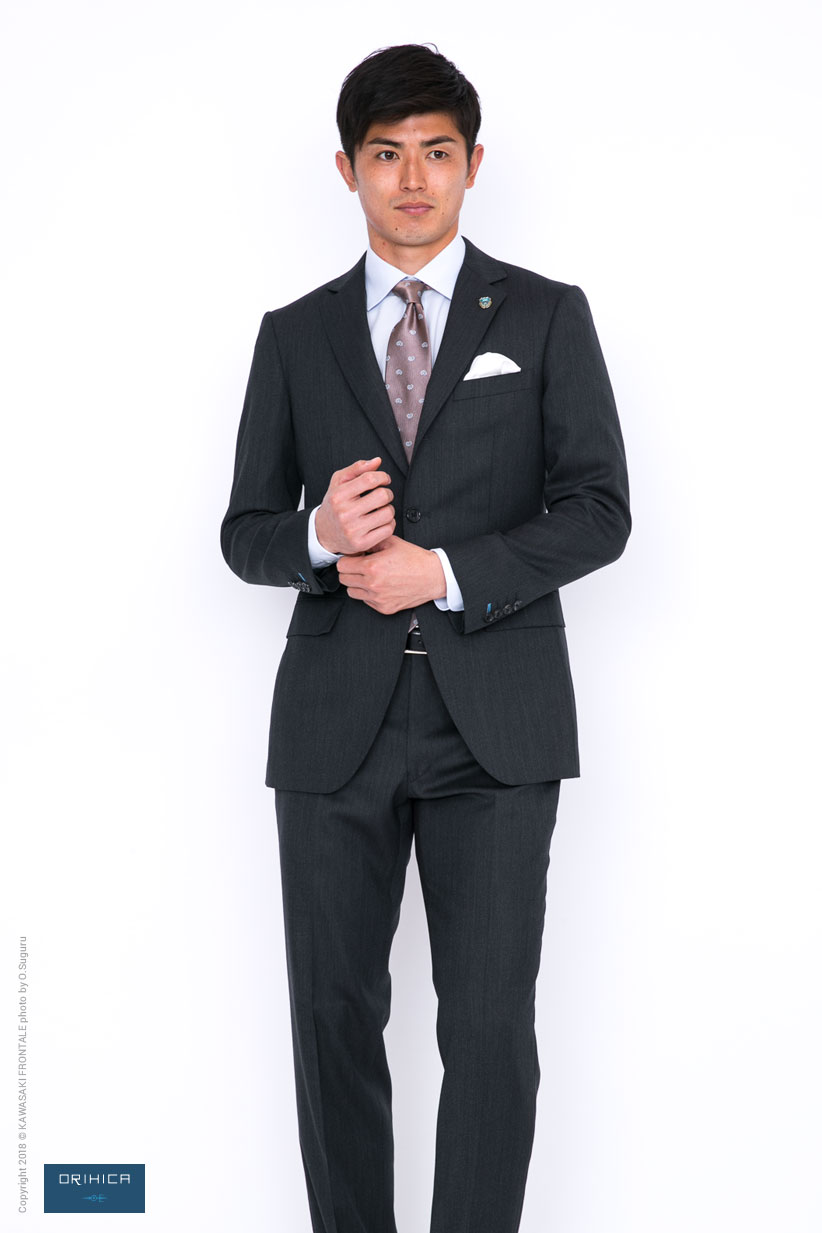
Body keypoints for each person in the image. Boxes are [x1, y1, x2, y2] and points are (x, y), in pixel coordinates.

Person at [221, 43, 630, 1233]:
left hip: (495, 726)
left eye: (437, 153)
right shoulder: (294, 335)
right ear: (347, 169)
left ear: (473, 165)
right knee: (332, 1021)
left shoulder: (544, 316)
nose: (413, 179)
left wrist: (444, 571)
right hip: (332, 729)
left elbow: (599, 510)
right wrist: (315, 536)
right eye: (387, 154)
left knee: (491, 1031)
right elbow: (245, 534)